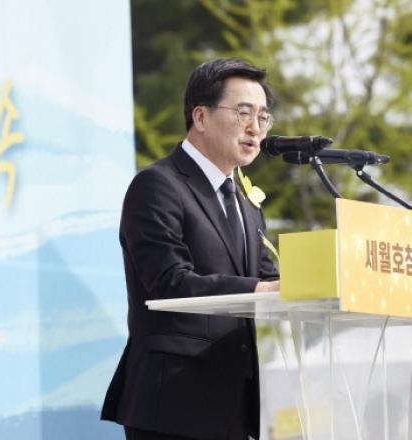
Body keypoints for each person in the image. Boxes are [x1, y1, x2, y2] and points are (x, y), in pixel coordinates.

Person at [101, 58, 280, 440]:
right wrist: (263, 288)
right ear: (200, 116)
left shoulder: (247, 202)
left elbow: (269, 278)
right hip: (173, 406)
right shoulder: (157, 186)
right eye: (243, 113)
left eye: (263, 117)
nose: (255, 128)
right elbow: (170, 282)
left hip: (233, 407)